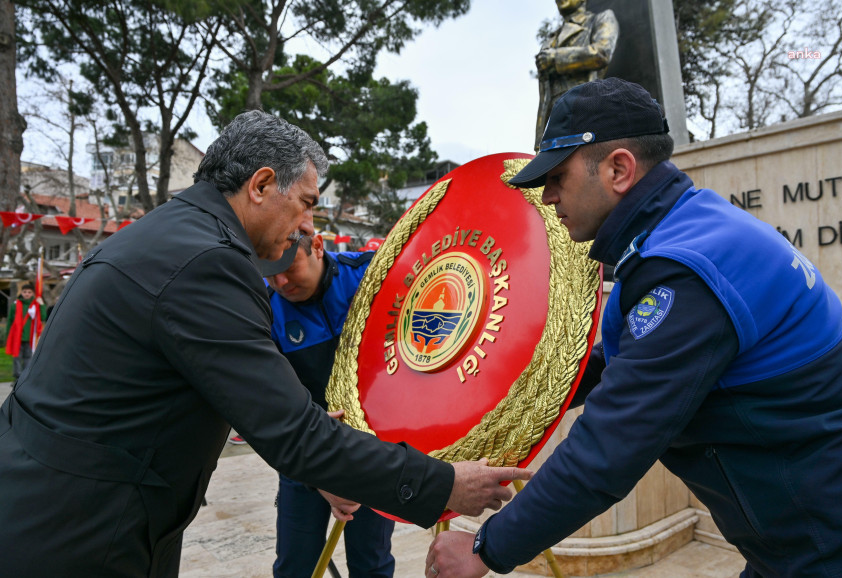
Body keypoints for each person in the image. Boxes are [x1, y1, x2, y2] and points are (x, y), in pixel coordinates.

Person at [0, 110, 529, 578]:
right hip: (84, 530)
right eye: (304, 203)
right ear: (260, 185)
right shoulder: (208, 263)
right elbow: (291, 432)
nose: (306, 225)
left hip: (63, 506)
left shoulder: (169, 234)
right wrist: (441, 485)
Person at [428, 78, 842, 577]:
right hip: (809, 532)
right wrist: (508, 390)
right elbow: (622, 362)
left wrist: (486, 548)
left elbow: (609, 447)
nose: (547, 197)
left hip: (838, 542)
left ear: (619, 168)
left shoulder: (685, 272)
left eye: (558, 177)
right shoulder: (683, 234)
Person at [262, 234, 394, 577]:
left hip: (373, 451)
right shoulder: (263, 306)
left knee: (372, 563)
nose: (281, 282)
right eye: (270, 273)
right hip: (305, 450)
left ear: (317, 246)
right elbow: (270, 402)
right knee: (295, 562)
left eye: (290, 268)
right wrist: (317, 468)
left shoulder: (370, 273)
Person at [534, 0, 618, 149]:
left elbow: (602, 52)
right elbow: (544, 98)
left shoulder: (600, 19)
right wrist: (539, 142)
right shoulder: (550, 39)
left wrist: (555, 58)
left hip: (585, 114)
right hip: (553, 124)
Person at [5, 283, 46, 379]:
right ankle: (17, 377)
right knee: (17, 358)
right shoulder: (15, 305)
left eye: (29, 292)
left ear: (32, 293)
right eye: (24, 292)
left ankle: (25, 377)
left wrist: (42, 305)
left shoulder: (36, 305)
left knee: (28, 358)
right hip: (17, 336)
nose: (27, 294)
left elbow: (43, 317)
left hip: (30, 336)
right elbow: (10, 320)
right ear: (21, 293)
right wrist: (8, 336)